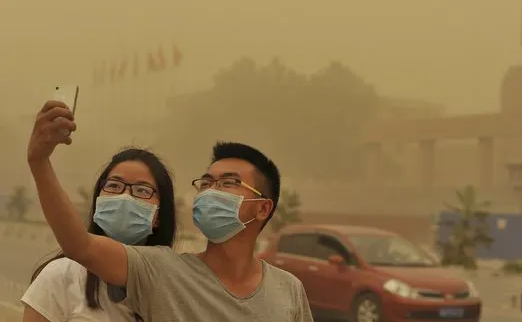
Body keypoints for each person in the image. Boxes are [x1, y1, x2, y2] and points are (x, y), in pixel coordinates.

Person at [27, 100, 314, 322]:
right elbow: (81, 246)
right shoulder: (163, 270)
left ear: (263, 208)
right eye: (206, 183)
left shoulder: (288, 290)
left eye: (228, 183)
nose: (211, 191)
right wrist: (40, 163)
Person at [21, 147, 177, 322]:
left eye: (142, 190)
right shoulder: (62, 275)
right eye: (114, 186)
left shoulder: (173, 288)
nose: (125, 197)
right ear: (98, 201)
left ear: (159, 216)